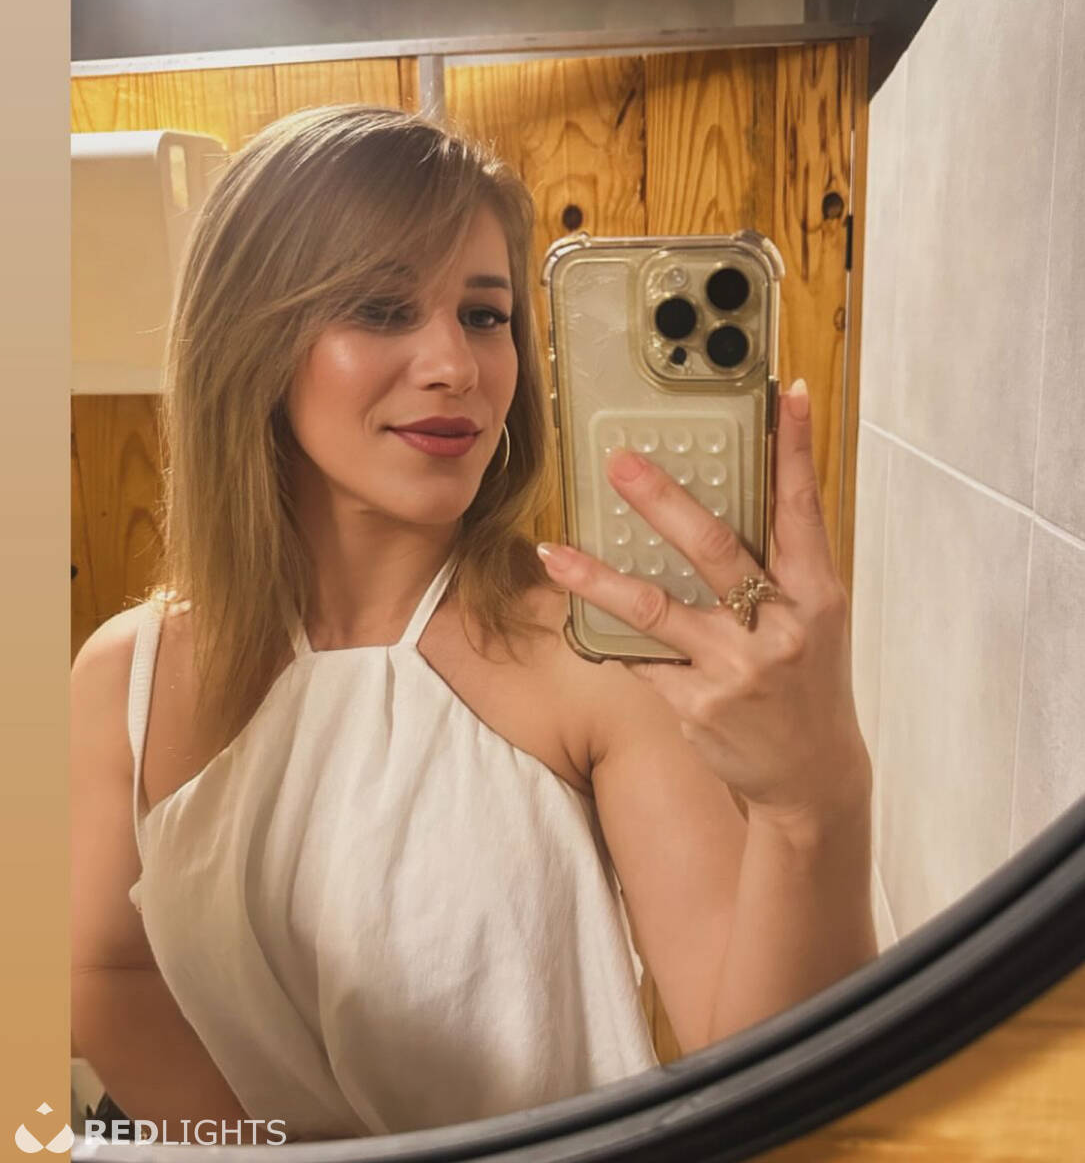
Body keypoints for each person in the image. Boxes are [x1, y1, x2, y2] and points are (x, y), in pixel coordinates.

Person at [70, 104, 877, 1144]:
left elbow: (765, 1070)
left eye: (484, 315)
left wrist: (813, 802)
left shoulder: (591, 657)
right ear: (250, 334)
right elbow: (104, 968)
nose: (456, 365)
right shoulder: (126, 676)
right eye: (380, 308)